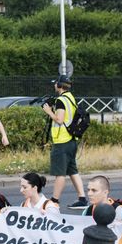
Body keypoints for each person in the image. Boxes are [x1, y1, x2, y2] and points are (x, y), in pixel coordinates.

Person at [42, 74, 87, 209]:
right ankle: (82, 199)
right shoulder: (70, 98)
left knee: (60, 173)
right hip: (71, 140)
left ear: (60, 86)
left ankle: (54, 201)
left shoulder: (61, 100)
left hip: (62, 142)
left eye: (55, 83)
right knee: (72, 170)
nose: (54, 85)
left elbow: (60, 119)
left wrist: (48, 111)